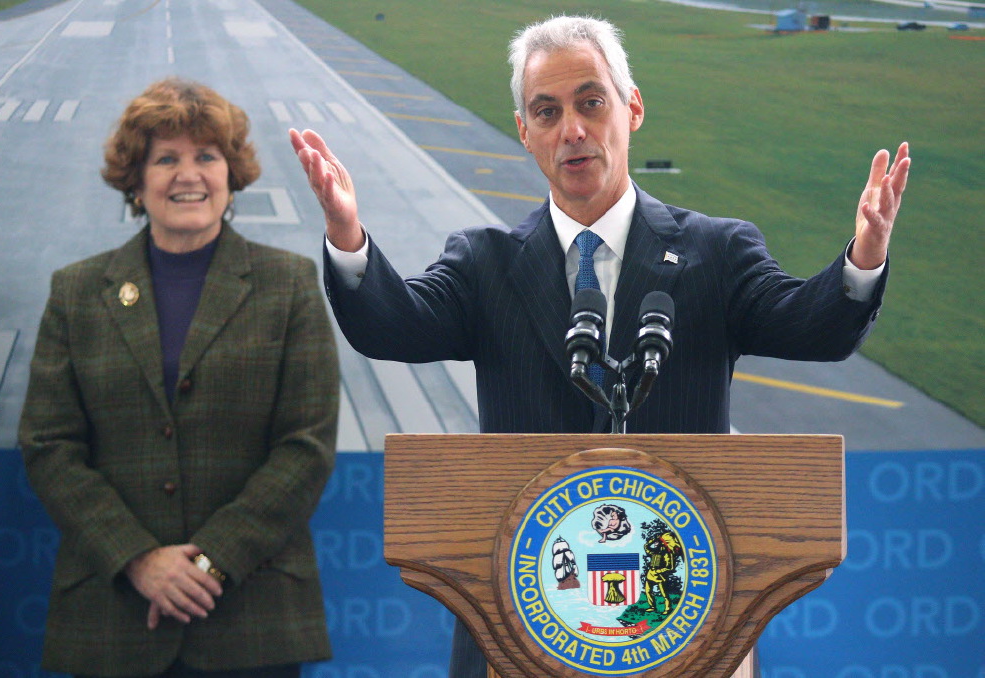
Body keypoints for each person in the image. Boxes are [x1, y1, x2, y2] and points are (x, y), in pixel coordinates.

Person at [289, 15, 908, 678]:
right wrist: (348, 237)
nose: (571, 130)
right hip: (519, 630)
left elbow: (811, 326)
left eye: (590, 102)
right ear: (524, 131)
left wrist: (862, 260)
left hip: (683, 626)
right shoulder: (484, 264)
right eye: (546, 112)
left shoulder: (714, 252)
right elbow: (392, 324)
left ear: (631, 106)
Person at [19, 78, 339, 678]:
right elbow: (48, 445)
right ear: (136, 182)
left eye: (206, 157)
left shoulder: (289, 285)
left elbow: (306, 447)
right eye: (165, 159)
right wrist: (139, 559)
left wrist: (211, 562)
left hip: (251, 618)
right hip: (114, 615)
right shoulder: (77, 292)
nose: (187, 174)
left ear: (231, 174)